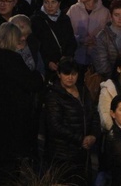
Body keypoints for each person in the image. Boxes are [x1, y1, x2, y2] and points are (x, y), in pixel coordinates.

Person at [0, 23, 45, 183]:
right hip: (9, 121)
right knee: (6, 172)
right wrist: (39, 76)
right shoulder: (12, 58)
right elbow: (30, 83)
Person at [44, 56, 100, 186]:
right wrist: (81, 139)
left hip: (83, 153)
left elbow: (94, 114)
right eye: (66, 73)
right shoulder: (54, 95)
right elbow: (55, 125)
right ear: (59, 74)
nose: (70, 77)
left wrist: (93, 135)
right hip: (63, 154)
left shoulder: (83, 90)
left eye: (73, 74)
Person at [31, 0, 77, 80]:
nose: (49, 6)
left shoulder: (65, 19)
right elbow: (35, 46)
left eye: (53, 2)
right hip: (45, 68)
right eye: (46, 2)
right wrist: (47, 62)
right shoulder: (36, 20)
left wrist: (66, 57)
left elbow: (71, 41)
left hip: (64, 66)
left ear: (59, 3)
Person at [68, 0, 111, 68]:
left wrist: (95, 40)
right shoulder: (73, 9)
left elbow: (109, 35)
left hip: (97, 58)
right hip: (76, 56)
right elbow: (66, 31)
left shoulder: (105, 12)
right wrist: (80, 39)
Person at [92, 0, 121, 78]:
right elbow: (102, 67)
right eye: (117, 15)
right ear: (111, 16)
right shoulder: (102, 36)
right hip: (111, 80)